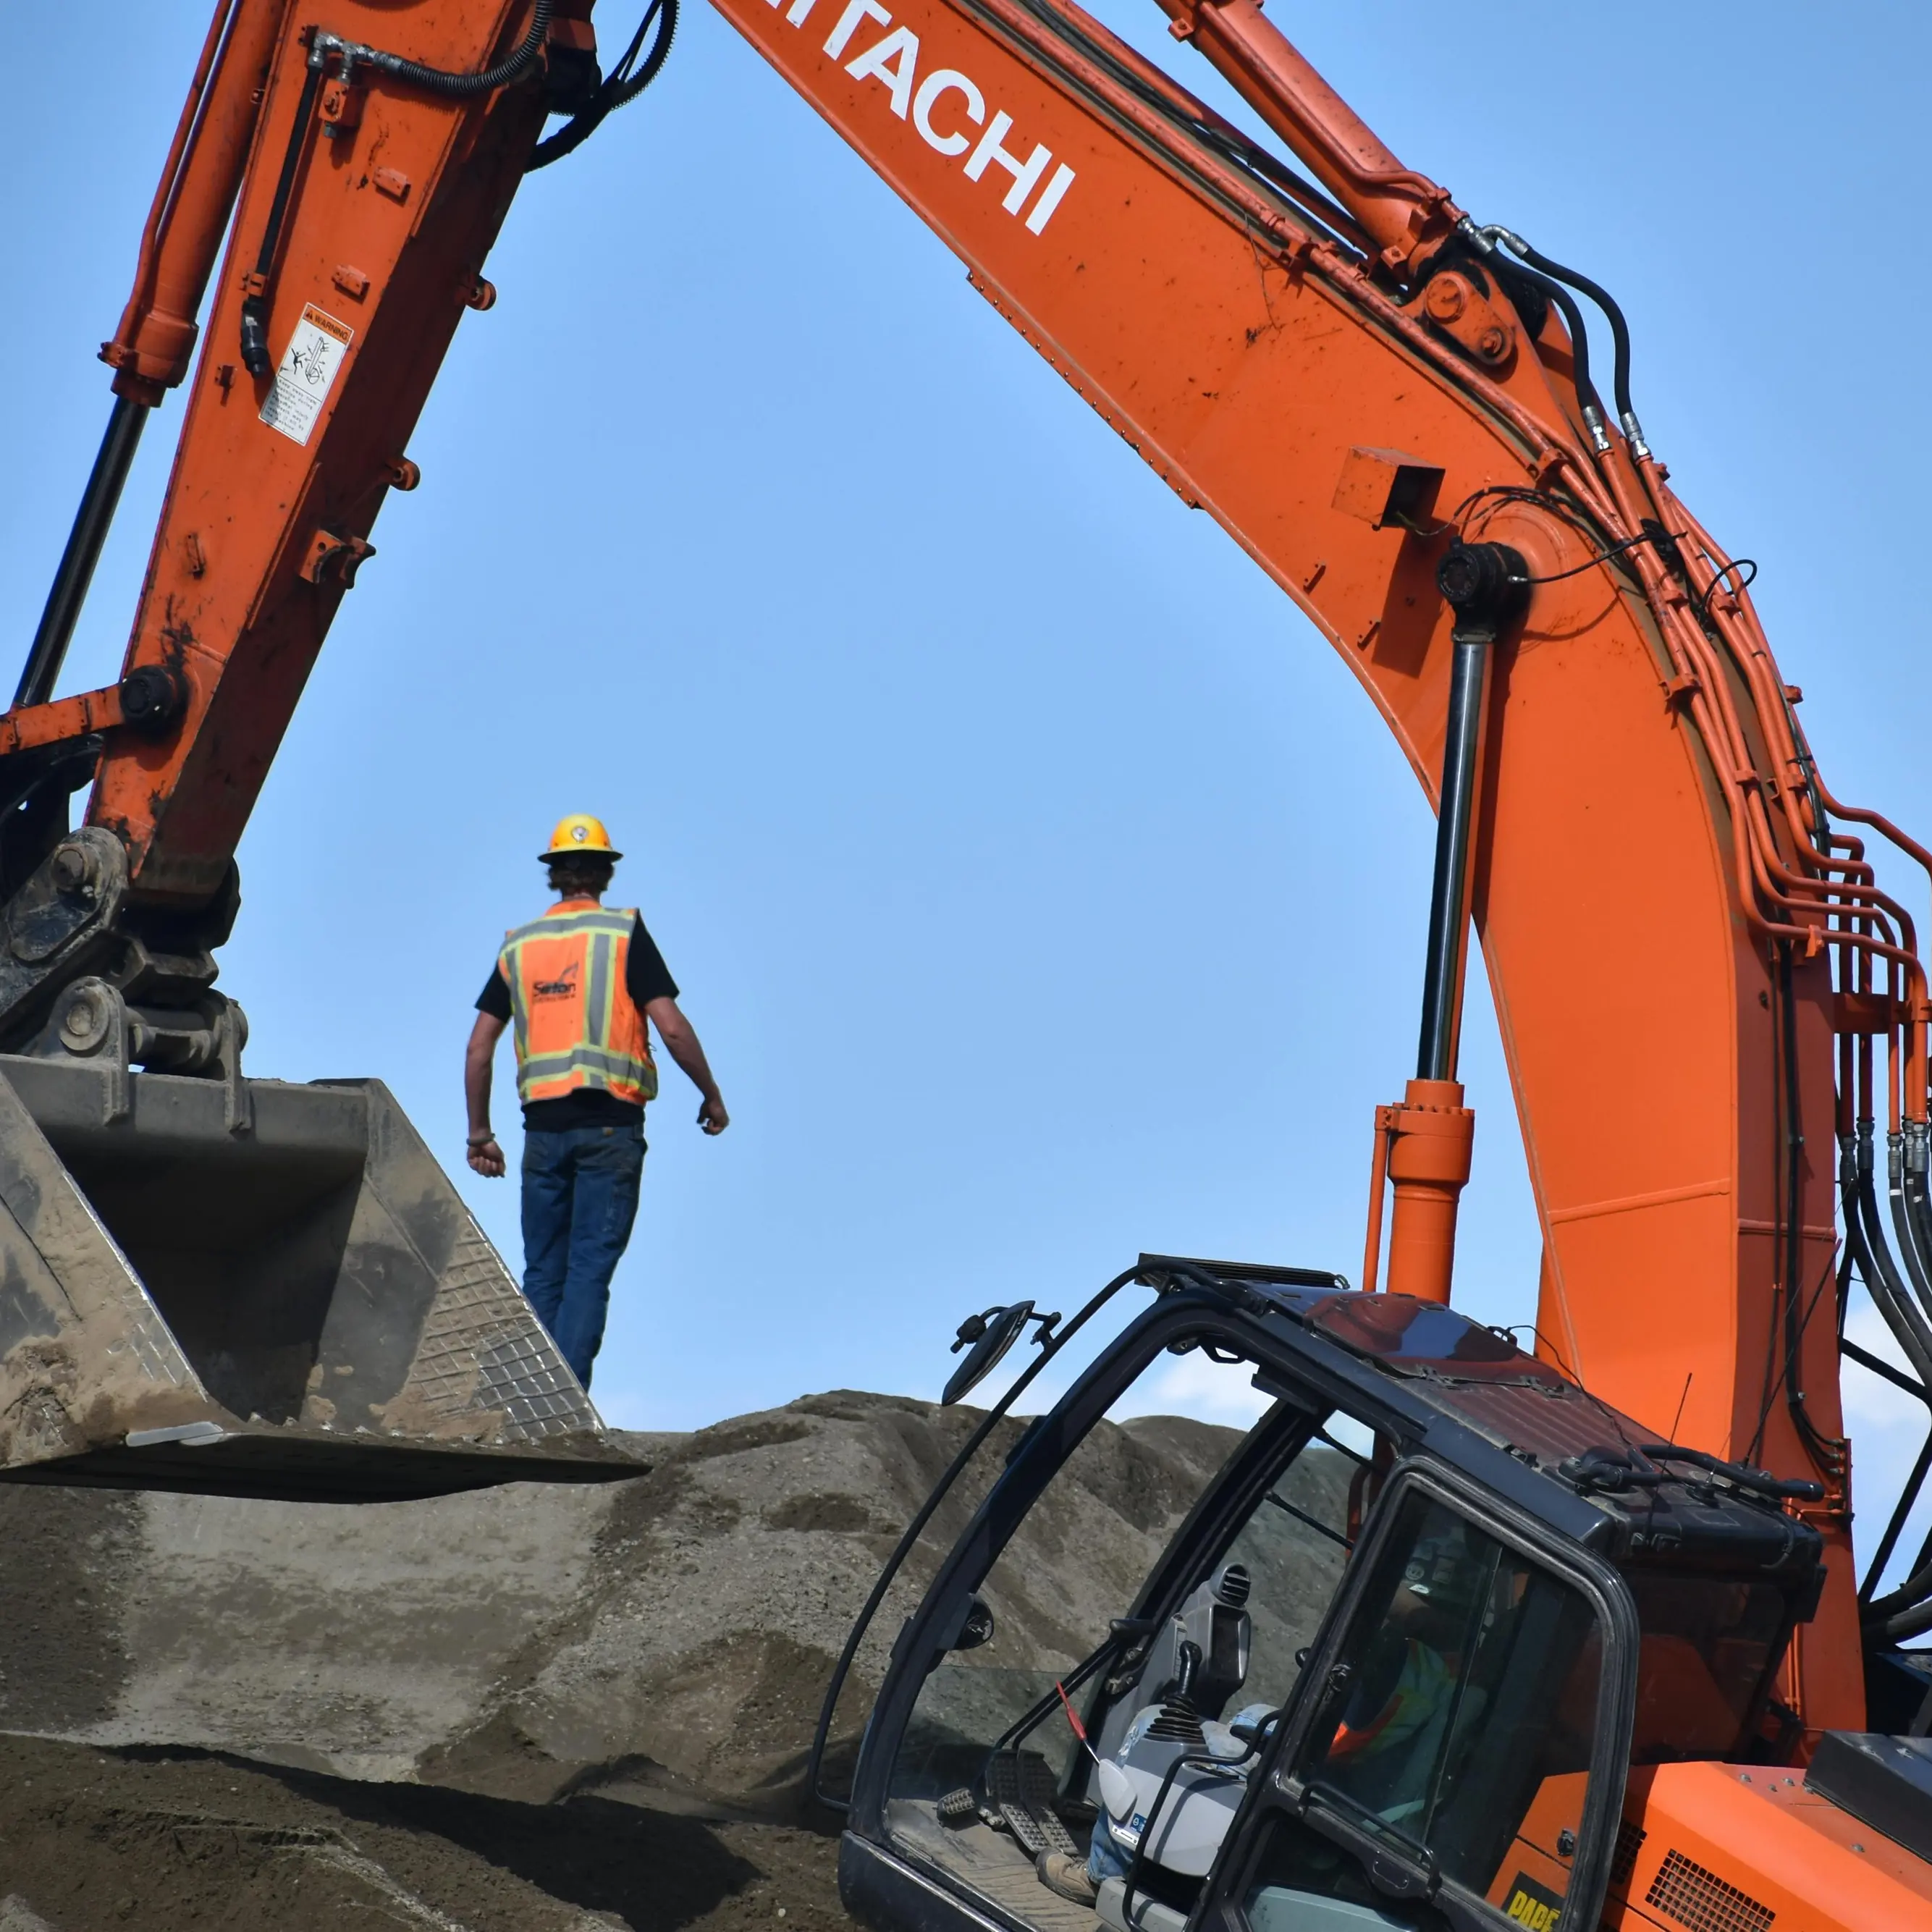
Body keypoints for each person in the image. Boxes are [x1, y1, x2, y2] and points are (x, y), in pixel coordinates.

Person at [463, 814, 727, 1388]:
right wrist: (710, 1095)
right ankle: (565, 1405)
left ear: (554, 874)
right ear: (606, 873)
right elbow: (672, 1027)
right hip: (610, 1127)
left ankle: (530, 1404)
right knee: (588, 1269)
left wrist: (479, 1133)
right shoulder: (621, 933)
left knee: (543, 1271)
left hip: (541, 1131)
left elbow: (479, 1047)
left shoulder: (520, 945)